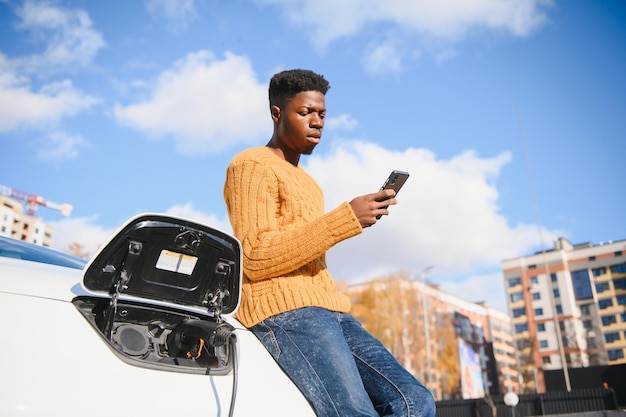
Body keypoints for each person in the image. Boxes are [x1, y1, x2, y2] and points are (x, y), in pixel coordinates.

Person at [223, 69, 435, 417]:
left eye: (322, 114)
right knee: (355, 412)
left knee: (415, 401)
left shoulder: (310, 183)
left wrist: (350, 219)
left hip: (332, 311)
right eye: (305, 112)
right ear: (277, 114)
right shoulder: (250, 165)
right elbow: (256, 256)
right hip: (285, 312)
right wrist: (346, 219)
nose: (317, 121)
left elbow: (305, 247)